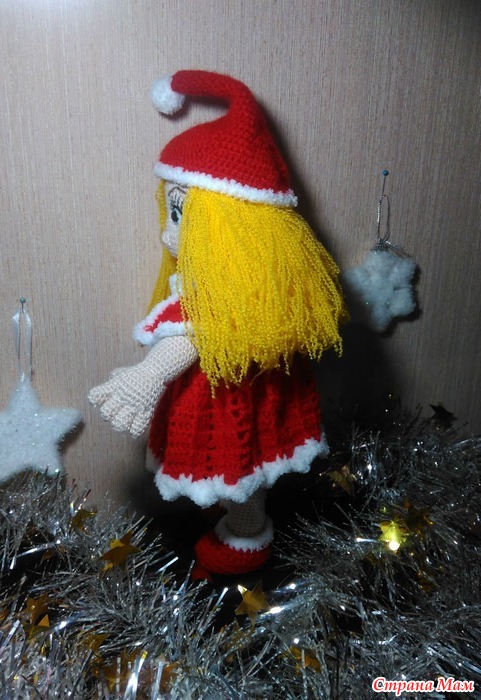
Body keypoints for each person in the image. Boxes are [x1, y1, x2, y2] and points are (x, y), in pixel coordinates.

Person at [89, 70, 347, 578]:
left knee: (240, 469)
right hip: (245, 396)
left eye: (183, 214)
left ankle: (247, 536)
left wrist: (146, 378)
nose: (168, 235)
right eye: (172, 210)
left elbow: (192, 334)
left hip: (228, 404)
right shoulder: (257, 288)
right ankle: (232, 510)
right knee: (238, 466)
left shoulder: (227, 295)